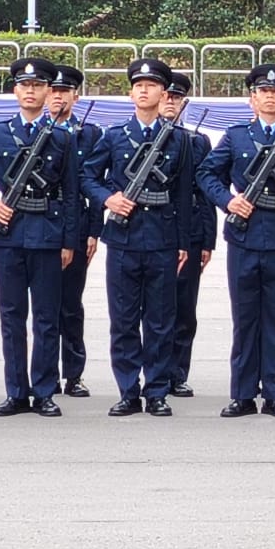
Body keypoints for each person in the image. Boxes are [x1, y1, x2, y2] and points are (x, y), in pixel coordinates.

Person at [199, 63, 275, 417]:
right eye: (263, 91)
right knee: (245, 317)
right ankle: (243, 393)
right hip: (244, 236)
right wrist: (227, 200)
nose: (270, 96)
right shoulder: (236, 137)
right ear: (252, 98)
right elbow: (207, 173)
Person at [85, 58, 198, 417]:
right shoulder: (115, 136)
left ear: (164, 93)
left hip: (163, 238)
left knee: (161, 320)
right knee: (123, 319)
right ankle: (128, 389)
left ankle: (158, 390)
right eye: (139, 85)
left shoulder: (179, 140)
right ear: (131, 92)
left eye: (152, 85)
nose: (145, 90)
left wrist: (183, 242)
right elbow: (87, 176)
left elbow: (184, 194)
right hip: (123, 239)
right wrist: (108, 197)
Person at [0, 57, 80, 417]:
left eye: (37, 86)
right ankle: (16, 391)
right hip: (9, 233)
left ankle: (45, 391)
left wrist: (68, 241)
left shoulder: (63, 138)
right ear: (14, 90)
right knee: (12, 316)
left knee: (47, 318)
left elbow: (71, 192)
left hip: (47, 235)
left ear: (49, 91)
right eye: (24, 85)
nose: (30, 91)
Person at [48, 63, 101, 400]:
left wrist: (94, 230)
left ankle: (74, 373)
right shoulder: (36, 133)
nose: (58, 98)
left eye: (64, 92)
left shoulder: (90, 134)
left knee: (71, 304)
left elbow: (94, 184)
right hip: (43, 225)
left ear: (75, 96)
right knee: (43, 307)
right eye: (53, 92)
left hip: (78, 225)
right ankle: (46, 374)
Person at [163, 73, 212, 400]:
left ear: (183, 103)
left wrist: (208, 240)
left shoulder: (197, 141)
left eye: (175, 97)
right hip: (151, 229)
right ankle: (150, 371)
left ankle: (177, 373)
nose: (169, 102)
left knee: (183, 306)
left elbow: (206, 193)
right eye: (165, 95)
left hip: (190, 230)